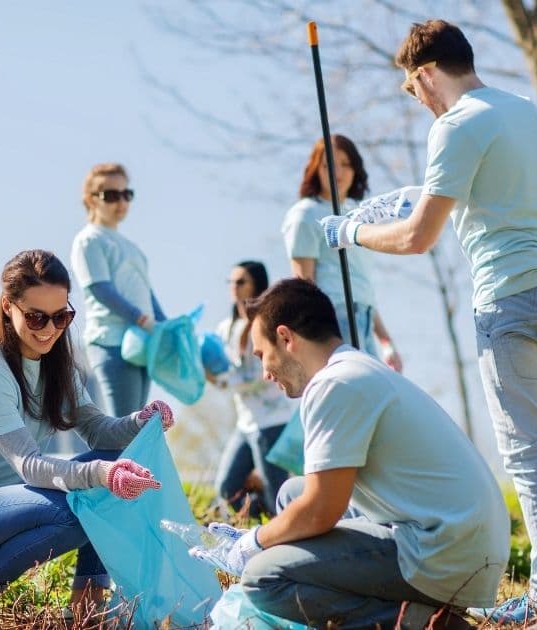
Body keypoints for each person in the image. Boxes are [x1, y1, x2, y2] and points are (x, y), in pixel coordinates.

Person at [322, 20, 537, 622]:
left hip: (511, 300)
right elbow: (496, 189)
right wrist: (418, 190)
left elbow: (418, 239)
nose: (415, 102)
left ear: (424, 74)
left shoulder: (454, 125)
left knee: (526, 451)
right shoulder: (519, 107)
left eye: (410, 89)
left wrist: (352, 233)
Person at [194, 279, 507, 629]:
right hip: (460, 539)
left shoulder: (334, 385)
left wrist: (254, 541)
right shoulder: (355, 368)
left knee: (262, 579)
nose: (265, 373)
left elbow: (320, 512)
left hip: (445, 553)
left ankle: (423, 621)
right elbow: (312, 500)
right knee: (290, 494)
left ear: (286, 338)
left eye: (262, 355)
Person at [0, 250, 173, 624]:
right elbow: (29, 465)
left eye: (62, 316)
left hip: (7, 507)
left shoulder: (57, 368)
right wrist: (100, 476)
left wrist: (139, 421)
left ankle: (88, 608)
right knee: (85, 507)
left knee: (111, 474)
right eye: (36, 317)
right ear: (8, 306)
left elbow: (100, 431)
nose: (49, 329)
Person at [282, 135, 402, 370]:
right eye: (328, 165)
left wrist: (385, 340)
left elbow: (361, 286)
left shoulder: (359, 217)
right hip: (333, 319)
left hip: (363, 318)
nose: (337, 171)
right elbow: (303, 285)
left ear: (356, 169)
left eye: (345, 164)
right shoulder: (305, 215)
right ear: (315, 169)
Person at [70, 163, 166, 417]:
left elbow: (147, 292)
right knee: (124, 427)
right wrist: (140, 317)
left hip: (141, 342)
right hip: (111, 342)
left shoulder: (132, 246)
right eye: (111, 195)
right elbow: (100, 288)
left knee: (136, 427)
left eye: (126, 194)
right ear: (91, 199)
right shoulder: (89, 239)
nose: (121, 201)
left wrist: (165, 324)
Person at [209, 261, 296, 518]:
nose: (234, 288)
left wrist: (224, 381)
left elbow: (264, 372)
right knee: (227, 488)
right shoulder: (225, 328)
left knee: (277, 493)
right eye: (231, 282)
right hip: (245, 423)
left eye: (241, 282)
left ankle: (288, 536)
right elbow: (221, 365)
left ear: (256, 285)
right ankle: (268, 527)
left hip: (271, 420)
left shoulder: (267, 323)